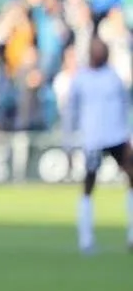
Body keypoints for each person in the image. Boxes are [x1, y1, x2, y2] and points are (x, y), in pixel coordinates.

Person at [64, 37, 133, 254]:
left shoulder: (113, 77)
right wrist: (68, 143)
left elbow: (126, 107)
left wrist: (129, 135)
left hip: (116, 136)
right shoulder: (81, 79)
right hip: (93, 139)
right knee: (88, 185)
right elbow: (70, 111)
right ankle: (86, 239)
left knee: (131, 178)